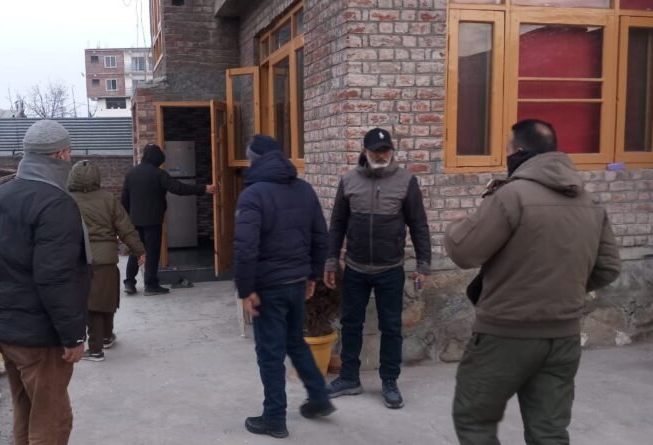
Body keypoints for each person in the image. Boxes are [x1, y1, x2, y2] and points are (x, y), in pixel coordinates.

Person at [445, 119, 621, 445]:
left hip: (506, 333)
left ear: (519, 150)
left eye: (508, 148)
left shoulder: (511, 196)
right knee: (549, 432)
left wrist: (456, 227)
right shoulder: (590, 202)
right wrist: (563, 287)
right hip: (564, 336)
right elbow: (609, 267)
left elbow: (464, 252)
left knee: (474, 419)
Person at [0, 119, 90, 445]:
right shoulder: (56, 203)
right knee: (52, 423)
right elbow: (55, 277)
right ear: (59, 154)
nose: (70, 159)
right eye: (68, 153)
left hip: (6, 328)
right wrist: (73, 336)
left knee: (27, 411)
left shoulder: (1, 195)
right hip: (39, 336)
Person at [235, 135, 335, 439]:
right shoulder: (304, 189)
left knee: (270, 352)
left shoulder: (253, 195)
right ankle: (319, 398)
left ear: (254, 159)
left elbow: (245, 248)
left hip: (268, 287)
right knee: (295, 342)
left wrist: (246, 289)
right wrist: (312, 276)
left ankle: (274, 418)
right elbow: (321, 237)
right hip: (296, 282)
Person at [324, 127, 431, 409]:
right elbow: (337, 224)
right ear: (365, 151)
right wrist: (331, 260)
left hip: (390, 268)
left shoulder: (406, 181)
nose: (381, 156)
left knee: (391, 327)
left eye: (385, 151)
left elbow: (419, 224)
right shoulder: (348, 181)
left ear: (392, 151)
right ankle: (349, 378)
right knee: (351, 324)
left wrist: (423, 264)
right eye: (376, 151)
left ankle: (389, 381)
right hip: (356, 267)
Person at [68, 160, 146, 362]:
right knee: (107, 299)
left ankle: (95, 350)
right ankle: (106, 336)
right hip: (107, 258)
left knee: (91, 305)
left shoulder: (67, 200)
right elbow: (125, 227)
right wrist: (139, 250)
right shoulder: (108, 199)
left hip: (80, 259)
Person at [121, 143, 216, 296]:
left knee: (135, 250)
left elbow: (124, 199)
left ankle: (130, 283)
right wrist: (203, 188)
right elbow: (179, 188)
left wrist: (128, 217)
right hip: (153, 220)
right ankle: (151, 285)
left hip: (134, 220)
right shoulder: (158, 174)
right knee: (152, 252)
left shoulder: (131, 173)